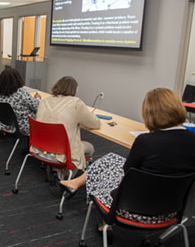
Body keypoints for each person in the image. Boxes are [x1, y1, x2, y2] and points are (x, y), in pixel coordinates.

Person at [57, 88, 195, 225]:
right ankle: (75, 183)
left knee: (106, 174)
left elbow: (127, 172)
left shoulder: (146, 141)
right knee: (111, 158)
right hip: (171, 212)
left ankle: (106, 224)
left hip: (130, 209)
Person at [35, 76, 100, 171]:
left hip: (40, 148)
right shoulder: (76, 103)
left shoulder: (44, 101)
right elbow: (94, 124)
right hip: (63, 152)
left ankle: (56, 171)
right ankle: (66, 175)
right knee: (90, 147)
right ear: (74, 90)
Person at [0, 68, 41, 136]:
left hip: (4, 124)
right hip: (23, 127)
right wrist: (38, 98)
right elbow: (37, 107)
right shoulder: (21, 94)